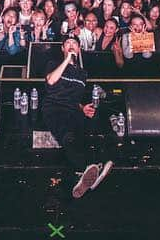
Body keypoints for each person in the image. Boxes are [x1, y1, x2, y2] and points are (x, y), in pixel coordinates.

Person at [43, 36, 113, 199]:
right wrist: (67, 60)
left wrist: (83, 108)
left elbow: (74, 98)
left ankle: (92, 170)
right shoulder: (53, 64)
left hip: (73, 109)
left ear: (79, 48)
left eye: (74, 43)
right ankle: (86, 168)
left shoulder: (82, 74)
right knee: (68, 136)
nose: (71, 45)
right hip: (54, 107)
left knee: (94, 124)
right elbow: (51, 81)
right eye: (67, 43)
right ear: (63, 48)